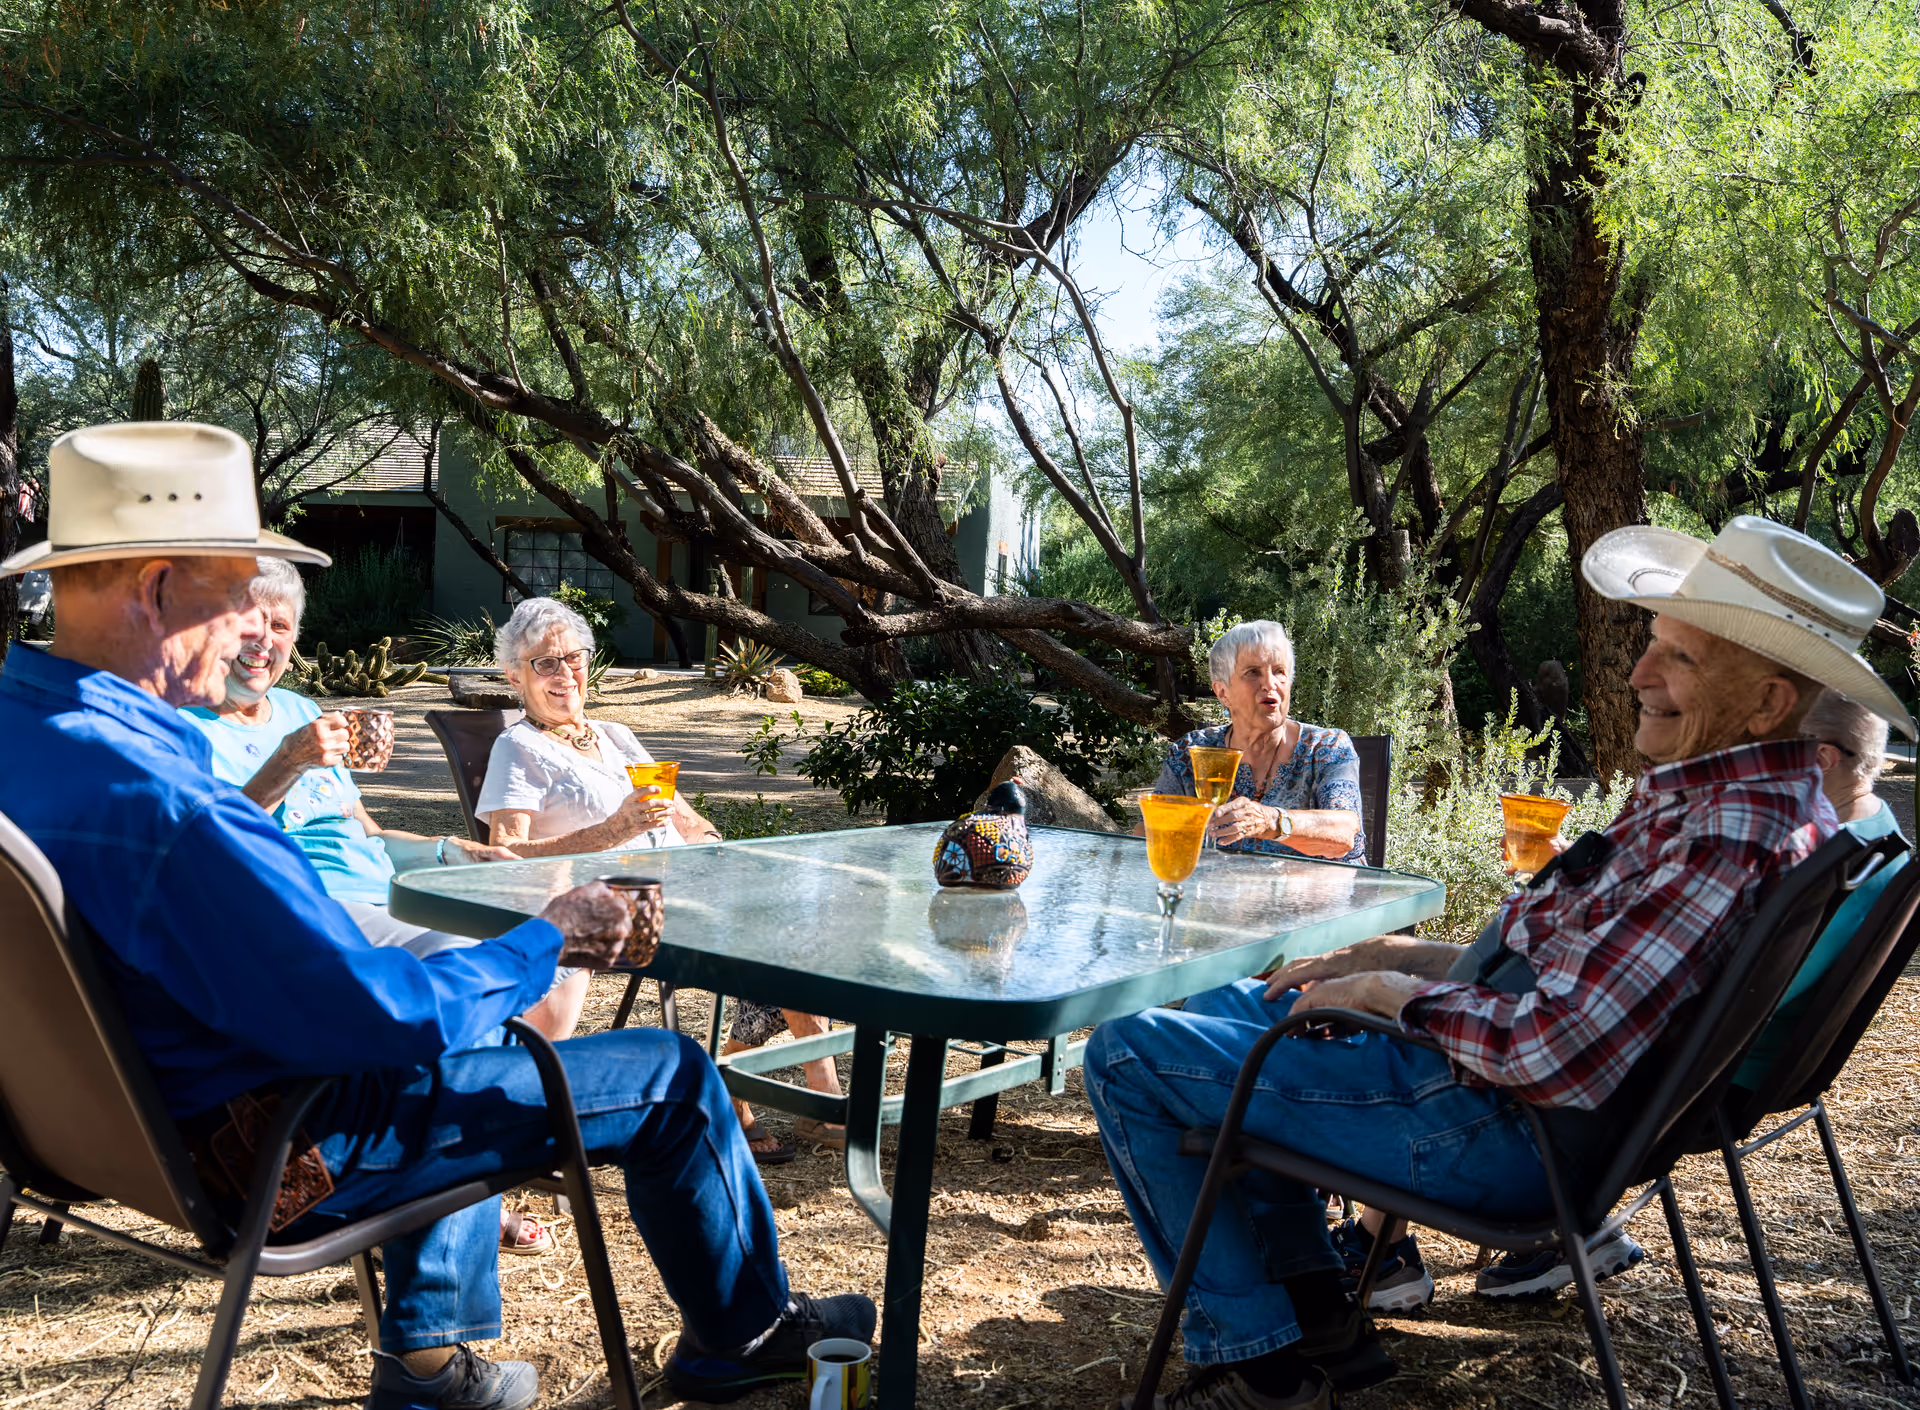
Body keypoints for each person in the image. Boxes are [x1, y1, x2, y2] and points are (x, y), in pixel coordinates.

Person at [0, 422, 873, 1410]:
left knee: (466, 1016)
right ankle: (744, 1338)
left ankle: (433, 1365)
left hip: (111, 1137)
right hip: (285, 1146)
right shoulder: (166, 803)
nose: (255, 626)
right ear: (157, 589)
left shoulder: (23, 735)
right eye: (238, 591)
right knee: (667, 1074)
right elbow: (385, 1015)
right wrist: (552, 940)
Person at [1087, 515, 1915, 1410]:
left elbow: (1552, 1050)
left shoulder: (1724, 833)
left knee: (1126, 1051)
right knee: (1220, 992)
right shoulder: (1743, 807)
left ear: (1766, 703)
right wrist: (1390, 956)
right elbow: (1561, 970)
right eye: (1652, 645)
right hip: (1480, 1088)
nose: (1638, 673)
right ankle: (1316, 1305)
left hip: (1488, 1124)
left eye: (1678, 658)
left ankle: (1259, 1362)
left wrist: (1391, 991)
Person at [1324, 690, 1913, 1310]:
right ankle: (1459, 1236)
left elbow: (1719, 990)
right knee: (1486, 978)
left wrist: (1580, 930)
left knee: (1471, 1009)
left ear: (1818, 758)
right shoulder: (1875, 842)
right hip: (1722, 1072)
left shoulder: (1818, 858)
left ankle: (1385, 1246)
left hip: (1683, 1078)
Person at [178, 558, 567, 1256]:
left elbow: (365, 832)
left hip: (380, 893)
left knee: (537, 944)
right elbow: (212, 849)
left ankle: (471, 1164)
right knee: (463, 968)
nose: (263, 640)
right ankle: (468, 1191)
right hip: (309, 911)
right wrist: (287, 762)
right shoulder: (188, 728)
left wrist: (453, 851)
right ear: (221, 629)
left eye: (282, 626)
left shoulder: (303, 711)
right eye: (251, 624)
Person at [476, 595, 847, 1163]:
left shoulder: (617, 735)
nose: (563, 673)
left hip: (686, 886)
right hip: (614, 903)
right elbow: (504, 850)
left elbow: (686, 818)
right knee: (776, 927)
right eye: (544, 663)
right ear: (514, 677)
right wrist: (613, 829)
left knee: (796, 909)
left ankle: (778, 1090)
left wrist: (712, 849)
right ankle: (815, 1102)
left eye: (572, 658)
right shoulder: (517, 747)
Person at [1145, 621, 1364, 862]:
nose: (1270, 684)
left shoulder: (1325, 747)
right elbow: (1149, 832)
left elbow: (1344, 834)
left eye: (1280, 671)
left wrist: (1272, 821)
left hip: (1317, 896)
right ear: (1222, 692)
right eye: (1253, 672)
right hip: (1224, 895)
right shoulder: (1192, 752)